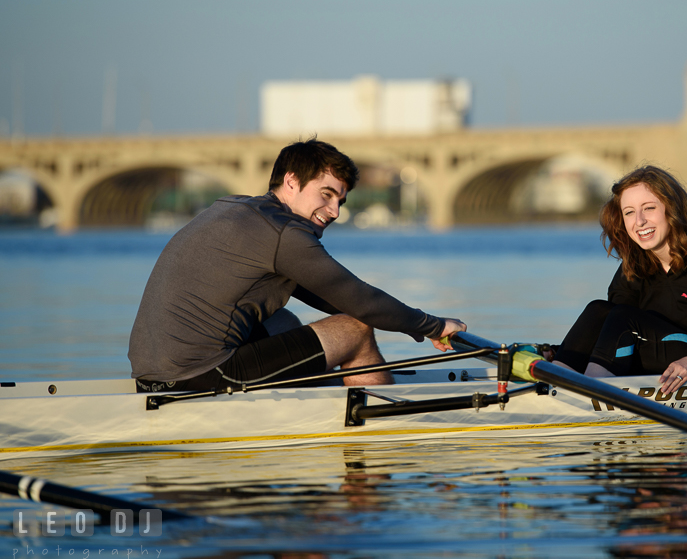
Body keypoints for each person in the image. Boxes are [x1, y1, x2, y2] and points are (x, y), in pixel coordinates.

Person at [129, 138, 467, 391]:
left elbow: (329, 294)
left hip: (152, 379)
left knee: (284, 320)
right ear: (291, 182)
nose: (334, 211)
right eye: (326, 194)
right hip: (196, 377)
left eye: (340, 200)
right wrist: (431, 325)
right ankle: (378, 433)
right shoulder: (283, 234)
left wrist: (406, 324)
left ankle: (327, 394)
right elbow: (359, 301)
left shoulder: (235, 209)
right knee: (356, 330)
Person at [548, 165, 687, 395]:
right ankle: (555, 384)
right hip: (669, 367)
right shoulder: (634, 267)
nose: (640, 221)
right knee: (599, 311)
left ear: (672, 210)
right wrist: (558, 351)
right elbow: (607, 336)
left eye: (649, 208)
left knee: (623, 318)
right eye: (629, 212)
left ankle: (585, 395)